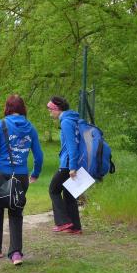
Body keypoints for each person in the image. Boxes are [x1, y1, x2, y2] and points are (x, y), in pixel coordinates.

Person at [0, 94, 44, 265]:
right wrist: (35, 173)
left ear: (7, 108)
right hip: (21, 177)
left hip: (1, 175)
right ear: (23, 108)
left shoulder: (1, 125)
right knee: (16, 213)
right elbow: (39, 155)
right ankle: (16, 253)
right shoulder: (31, 128)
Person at [47, 96, 82, 234]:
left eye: (51, 109)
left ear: (57, 109)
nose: (50, 112)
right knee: (69, 194)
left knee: (53, 189)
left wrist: (72, 167)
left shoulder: (66, 122)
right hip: (73, 162)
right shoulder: (73, 119)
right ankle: (75, 227)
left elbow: (72, 146)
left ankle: (63, 222)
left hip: (68, 163)